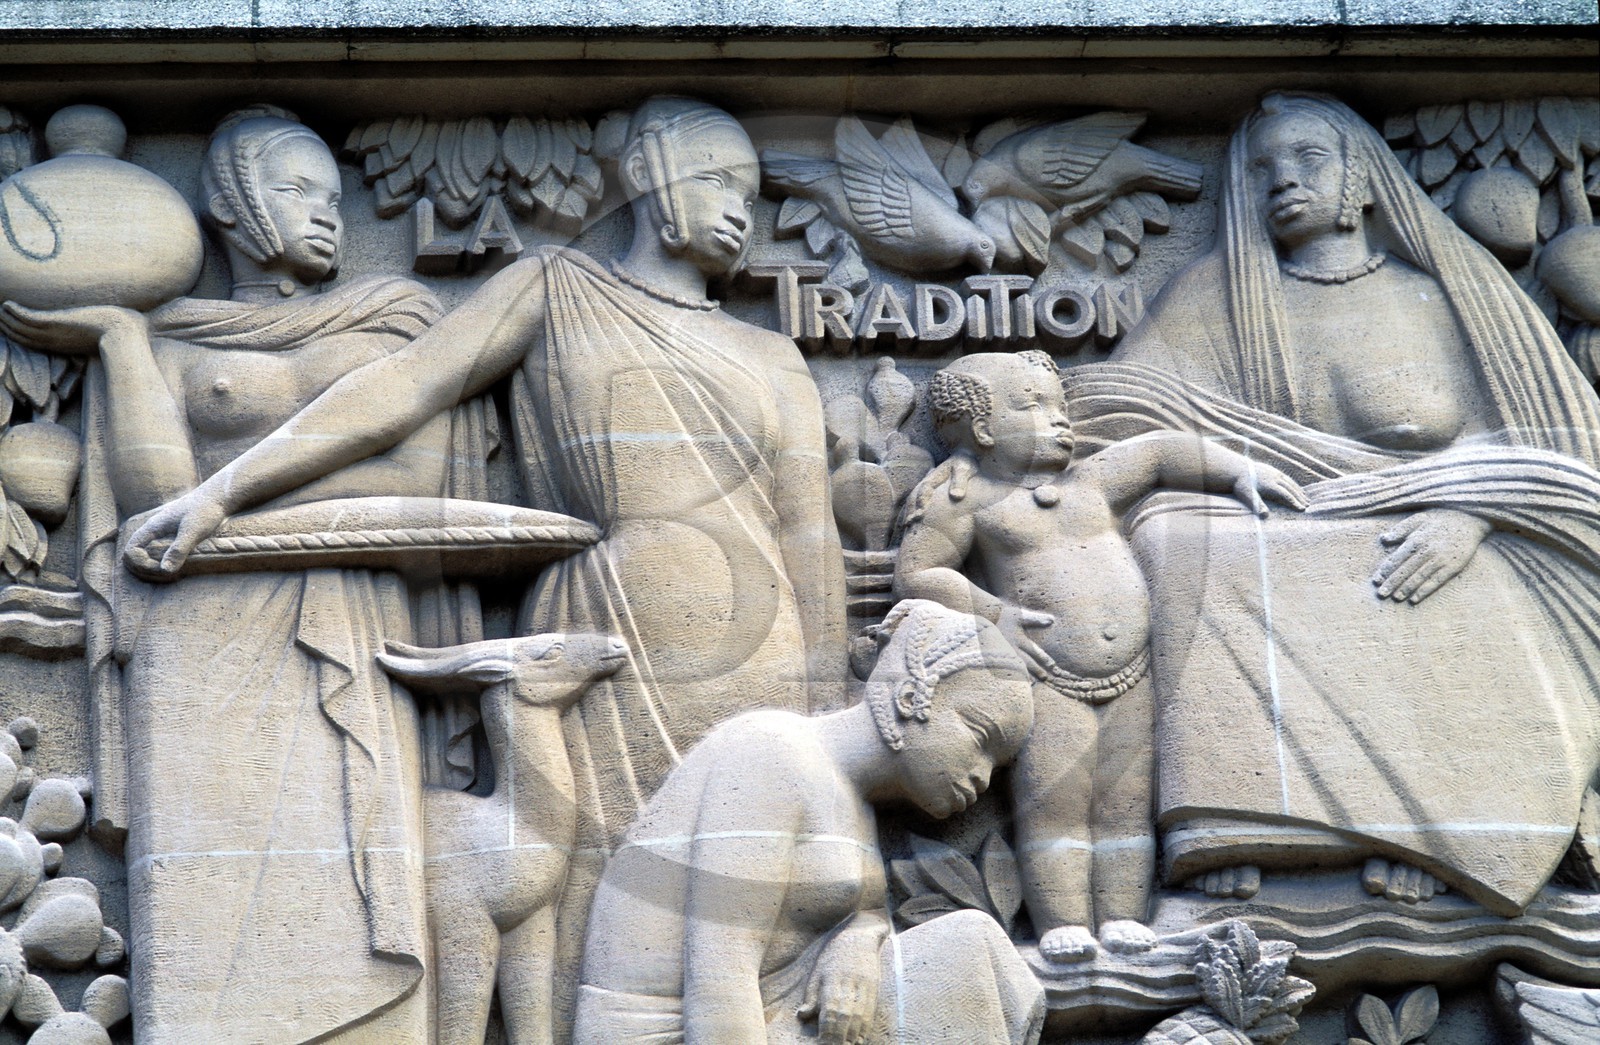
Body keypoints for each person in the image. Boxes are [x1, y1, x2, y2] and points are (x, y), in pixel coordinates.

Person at [120, 96, 848, 1016]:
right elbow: (399, 389)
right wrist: (220, 491)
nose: (743, 207)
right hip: (604, 640)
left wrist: (826, 727)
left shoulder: (772, 352)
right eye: (716, 180)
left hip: (760, 654)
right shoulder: (553, 286)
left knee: (750, 903)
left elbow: (811, 546)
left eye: (749, 188)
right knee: (595, 909)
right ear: (653, 179)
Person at [1063, 91, 1600, 917]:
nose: (1284, 181)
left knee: (1468, 572)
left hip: (1438, 534)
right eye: (1262, 168)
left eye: (1308, 158)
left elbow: (1550, 451)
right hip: (1277, 530)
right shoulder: (1215, 299)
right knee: (1175, 539)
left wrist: (1470, 515)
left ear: (1362, 175)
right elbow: (1121, 416)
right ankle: (1240, 826)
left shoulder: (1450, 295)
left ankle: (1433, 830)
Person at [0, 107, 468, 1040]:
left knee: (352, 861)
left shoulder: (399, 317)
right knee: (204, 904)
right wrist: (124, 341)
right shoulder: (173, 331)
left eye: (335, 196)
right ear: (229, 200)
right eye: (298, 190)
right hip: (196, 634)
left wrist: (229, 503)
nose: (327, 213)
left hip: (342, 612)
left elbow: (418, 477)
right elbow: (155, 492)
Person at [894, 350, 1306, 961]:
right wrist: (996, 614)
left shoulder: (1089, 482)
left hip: (1132, 672)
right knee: (1055, 800)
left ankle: (1121, 915)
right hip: (1048, 673)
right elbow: (920, 572)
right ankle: (1062, 920)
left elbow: (1162, 452)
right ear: (980, 429)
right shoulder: (968, 499)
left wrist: (1237, 470)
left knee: (1124, 801)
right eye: (1032, 406)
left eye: (1059, 406)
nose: (1059, 421)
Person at [574, 599, 1045, 1045]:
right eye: (980, 737)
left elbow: (856, 912)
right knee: (967, 953)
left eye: (997, 766)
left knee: (979, 956)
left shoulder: (854, 802)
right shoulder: (771, 752)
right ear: (912, 695)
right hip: (685, 1032)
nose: (982, 776)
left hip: (771, 1014)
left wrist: (856, 945)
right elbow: (720, 968)